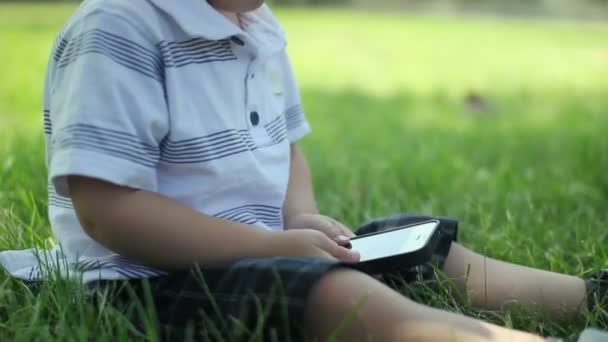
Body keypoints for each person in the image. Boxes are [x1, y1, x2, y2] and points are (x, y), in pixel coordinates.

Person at [0, 0, 606, 340]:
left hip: (272, 245)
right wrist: (270, 244)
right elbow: (108, 211)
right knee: (334, 294)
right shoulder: (118, 29)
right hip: (144, 276)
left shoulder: (258, 27)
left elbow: (286, 145)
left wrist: (299, 216)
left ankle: (588, 298)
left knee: (413, 243)